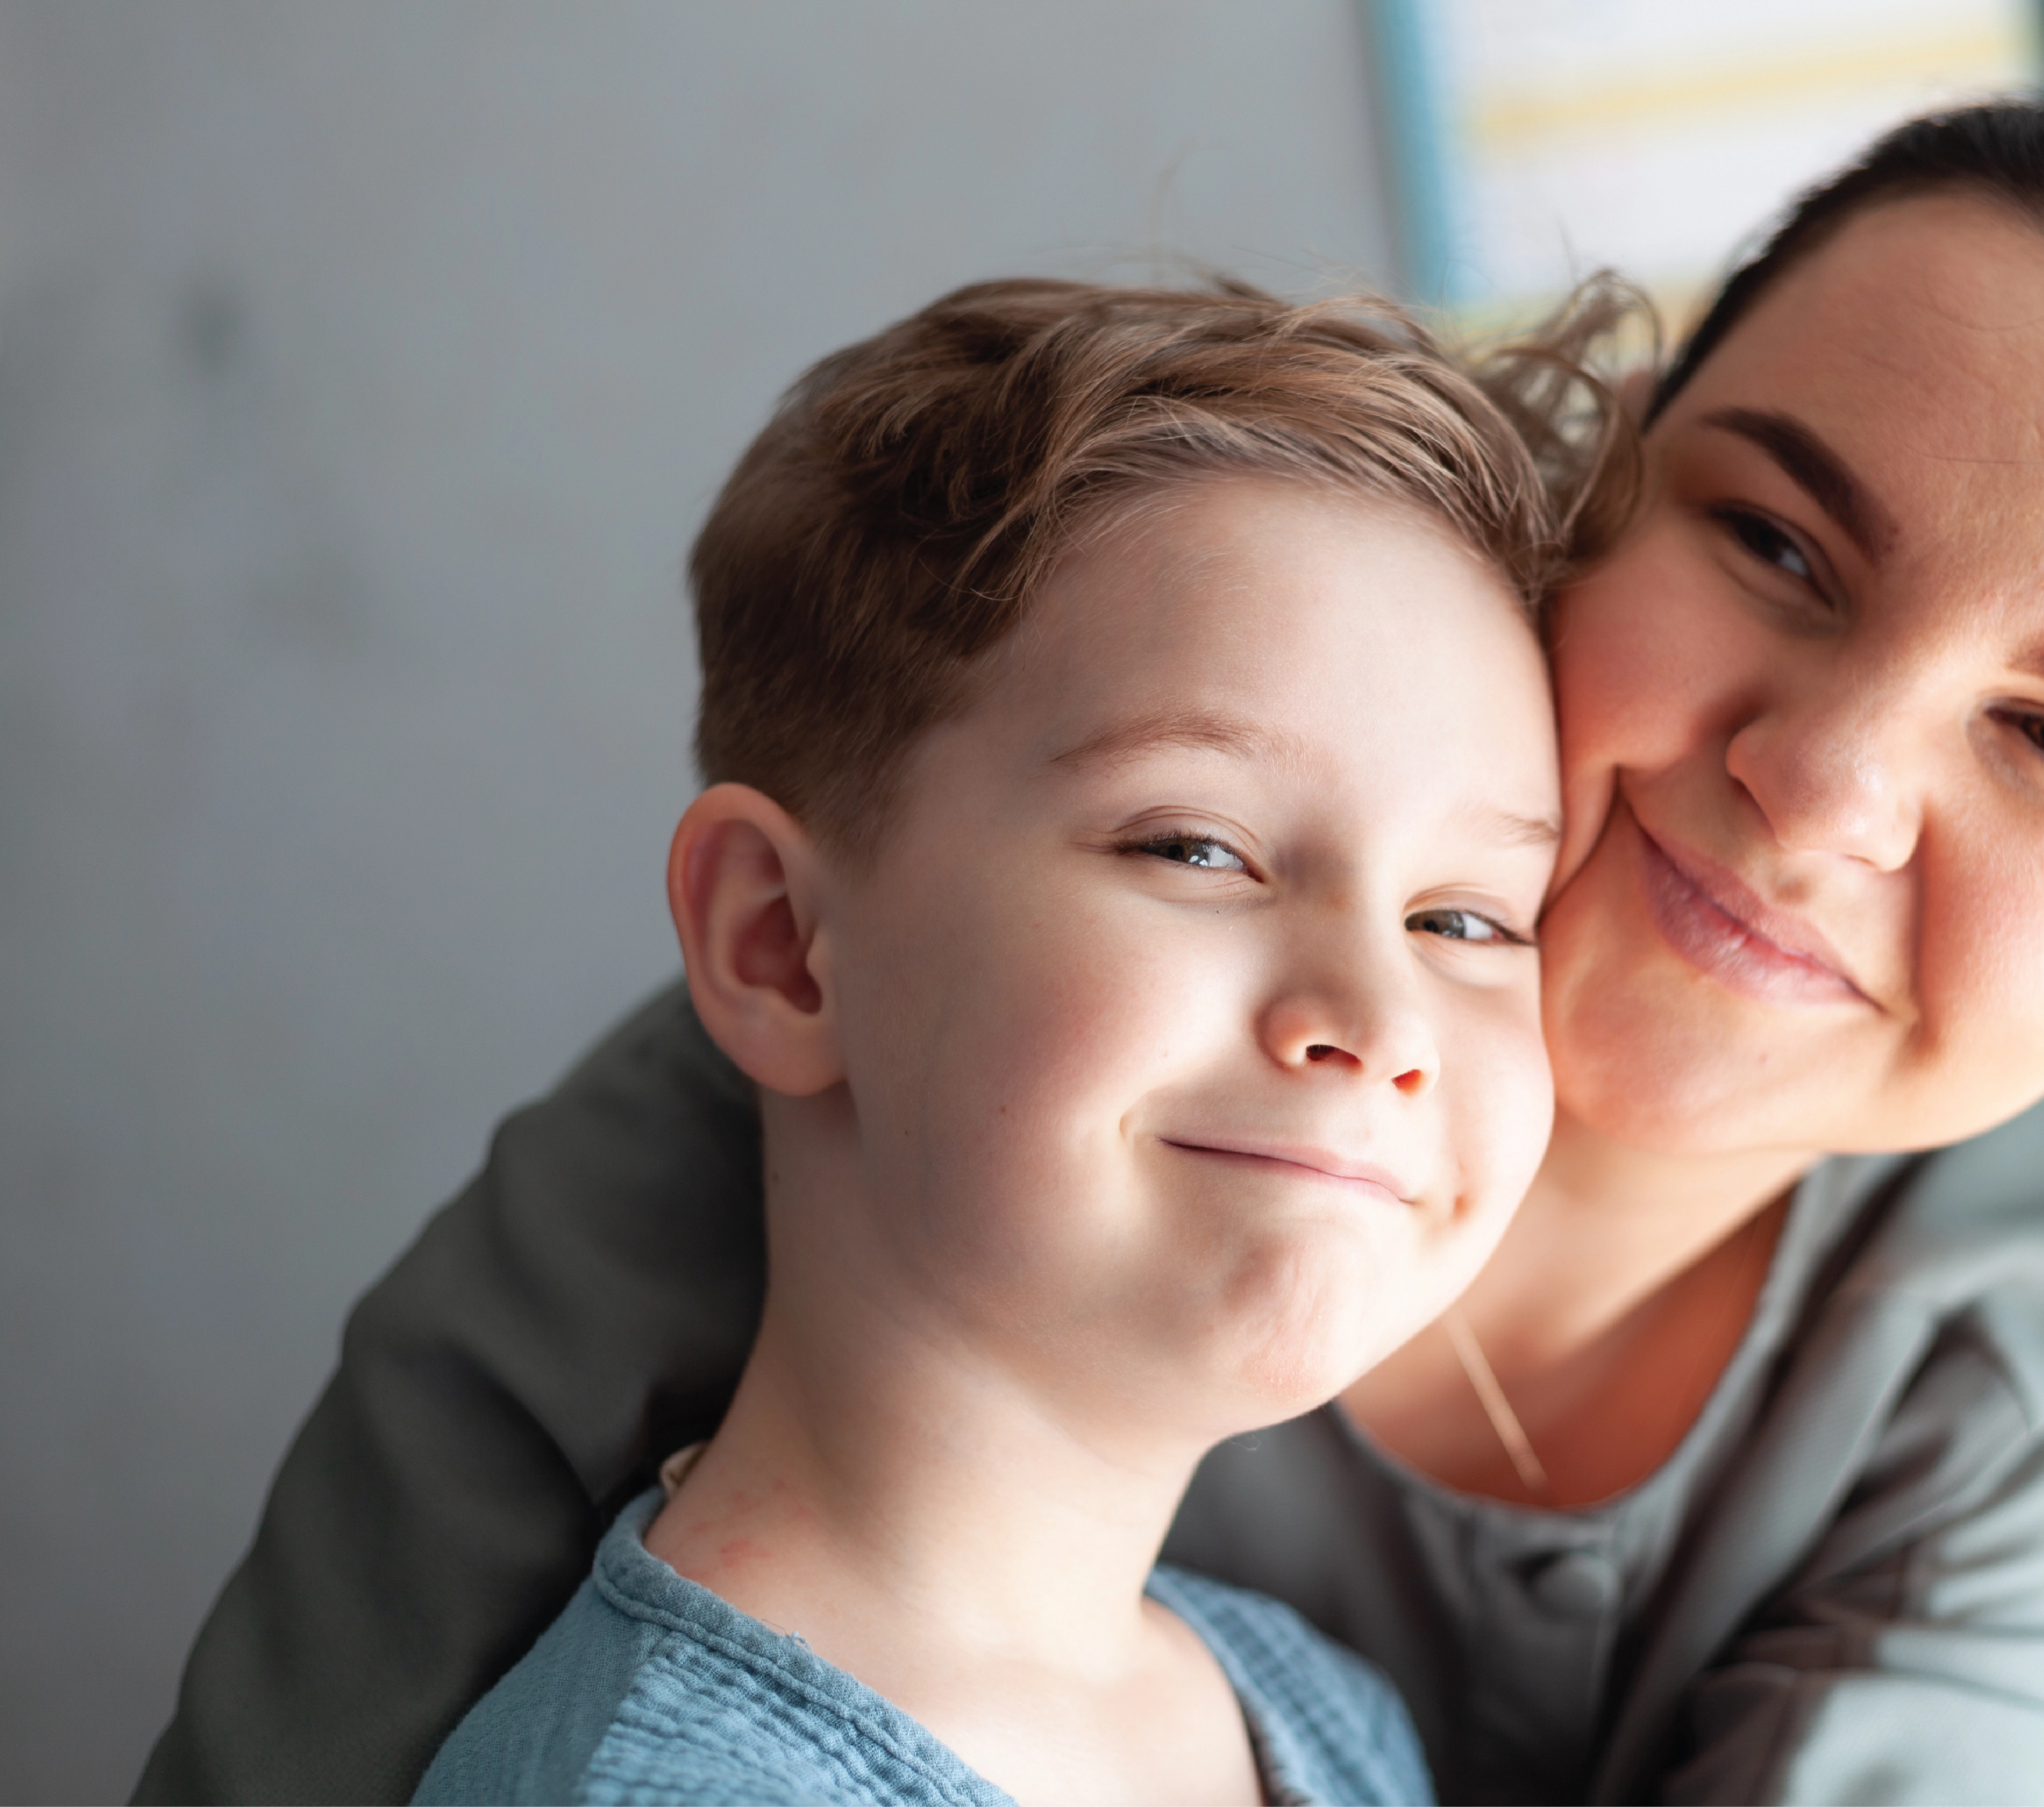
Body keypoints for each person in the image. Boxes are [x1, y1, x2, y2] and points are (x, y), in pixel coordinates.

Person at [138, 97, 2044, 1807]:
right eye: (1774, 542)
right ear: (1601, 492)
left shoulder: (2021, 1369)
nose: (1827, 780)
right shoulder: (853, 1068)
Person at [411, 275, 1620, 1805]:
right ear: (778, 944)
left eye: (1465, 920)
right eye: (1196, 848)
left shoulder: (1318, 1717)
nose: (1377, 1023)